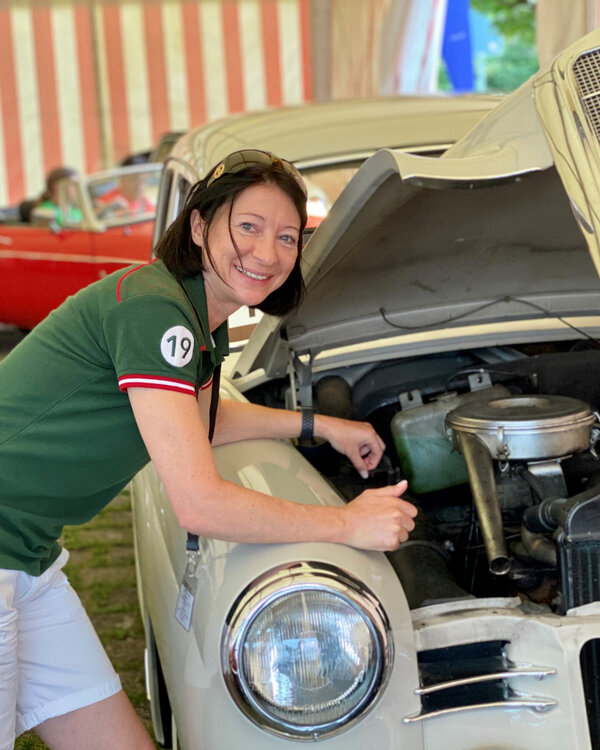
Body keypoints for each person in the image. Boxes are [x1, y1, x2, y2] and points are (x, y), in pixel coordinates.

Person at [0, 149, 417, 749]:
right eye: (247, 226)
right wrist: (347, 522)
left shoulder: (196, 316)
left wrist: (319, 425)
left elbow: (199, 425)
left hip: (26, 553)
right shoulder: (157, 311)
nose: (267, 252)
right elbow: (198, 502)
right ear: (199, 227)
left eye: (287, 236)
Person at [94, 155, 155, 219]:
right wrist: (107, 209)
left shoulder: (146, 202)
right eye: (134, 180)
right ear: (122, 178)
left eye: (143, 181)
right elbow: (91, 216)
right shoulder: (106, 201)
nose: (140, 186)